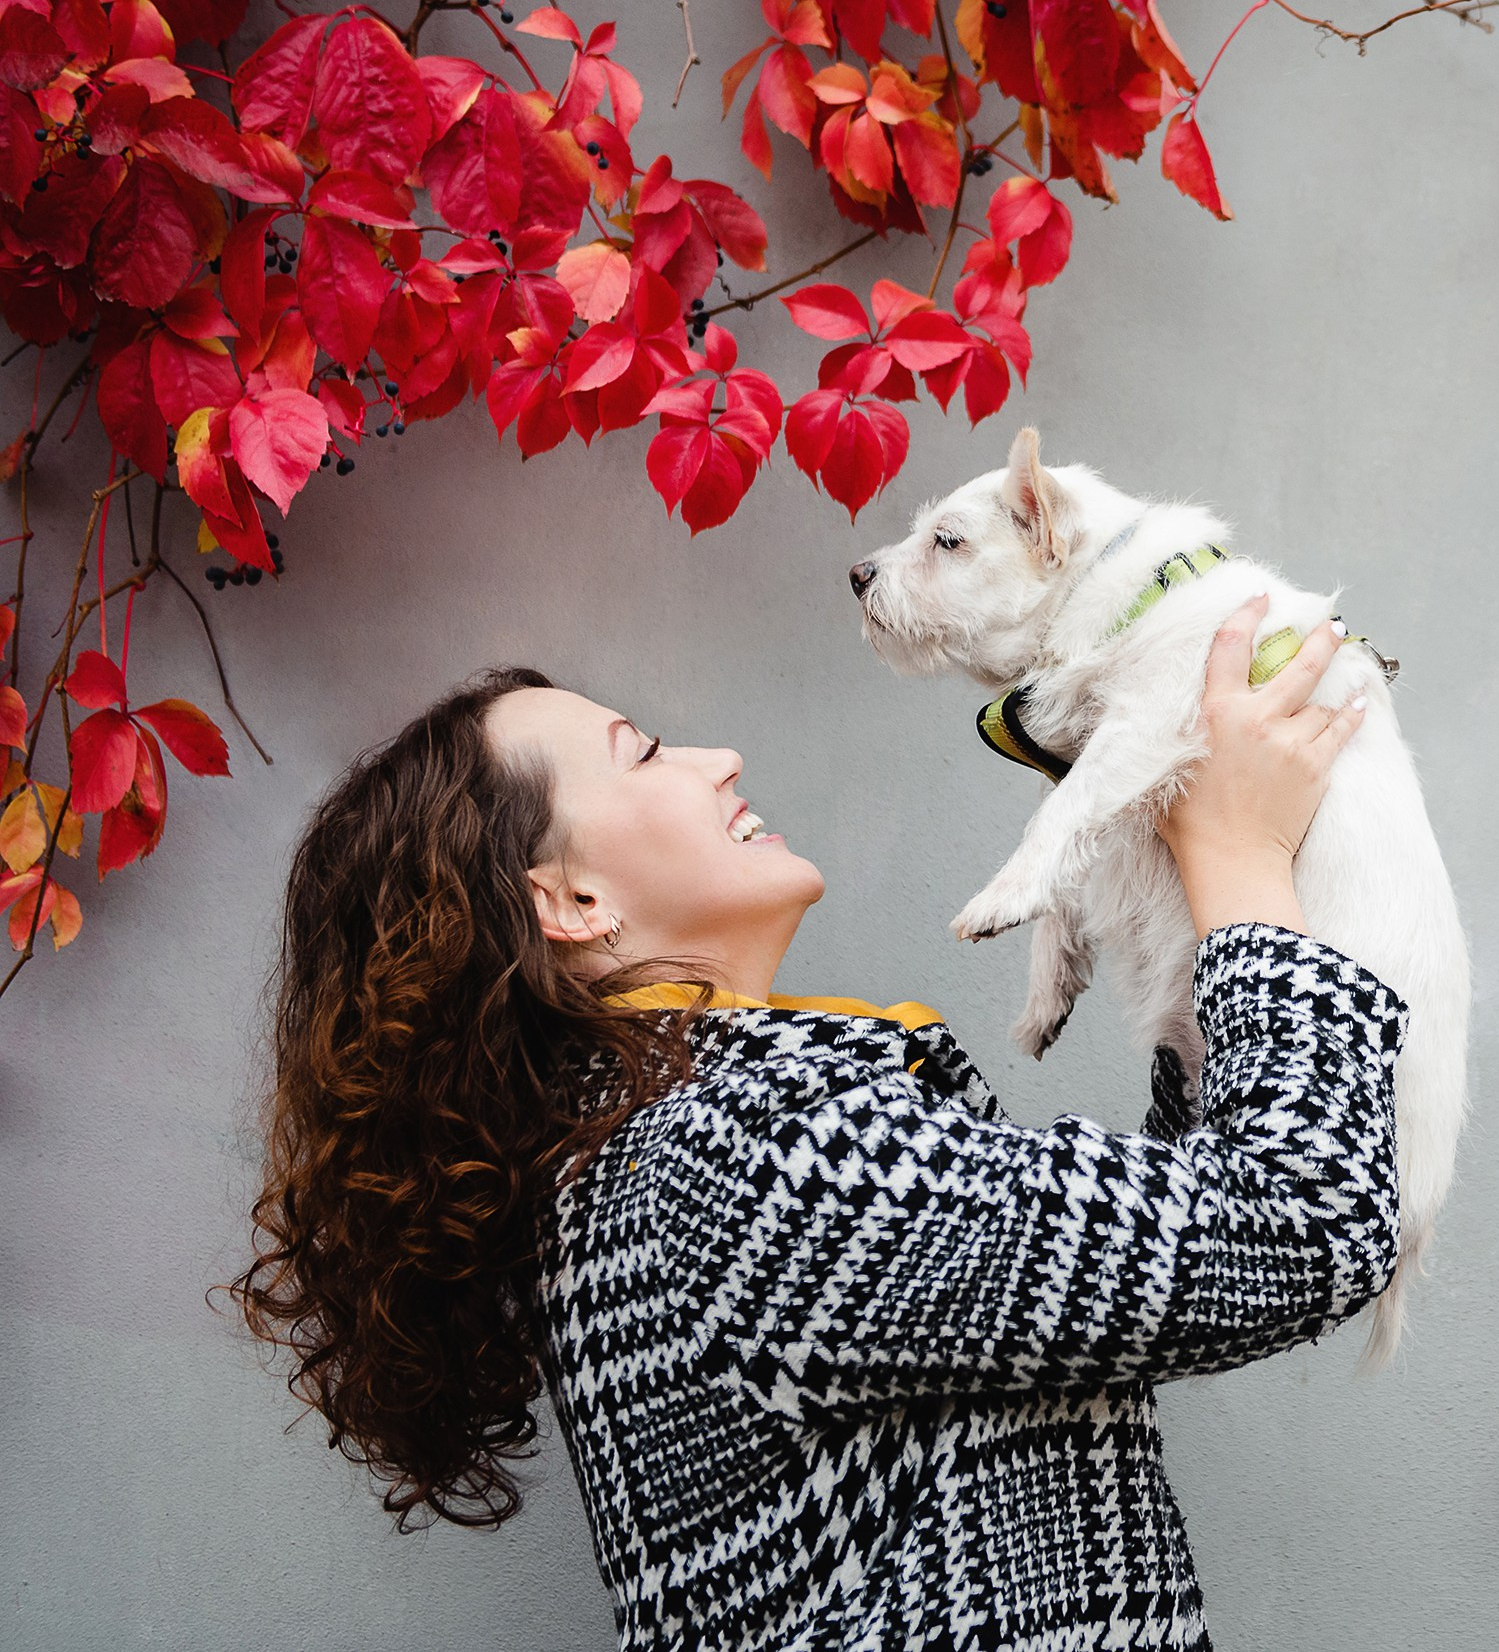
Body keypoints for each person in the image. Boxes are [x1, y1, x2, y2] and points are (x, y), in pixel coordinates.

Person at [225, 596, 1409, 1651]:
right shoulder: (747, 1153)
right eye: (639, 755)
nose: (717, 759)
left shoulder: (643, 1161)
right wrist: (1241, 855)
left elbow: (1155, 1250)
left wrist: (1182, 871)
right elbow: (1293, 1221)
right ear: (573, 901)